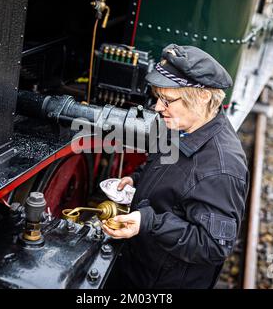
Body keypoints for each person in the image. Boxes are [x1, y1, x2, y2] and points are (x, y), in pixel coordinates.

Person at [102, 44, 249, 289]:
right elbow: (171, 171)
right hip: (141, 264)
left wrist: (149, 223)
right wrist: (137, 179)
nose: (158, 108)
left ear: (202, 97)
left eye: (167, 100)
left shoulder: (222, 169)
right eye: (158, 98)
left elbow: (214, 245)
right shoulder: (183, 126)